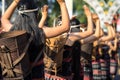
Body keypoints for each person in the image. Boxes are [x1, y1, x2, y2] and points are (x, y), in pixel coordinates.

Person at [1, 0, 70, 80]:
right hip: (37, 77)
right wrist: (62, 4)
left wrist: (16, 2)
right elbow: (65, 27)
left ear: (19, 14)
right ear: (36, 15)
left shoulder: (12, 31)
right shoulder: (41, 33)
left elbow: (4, 19)